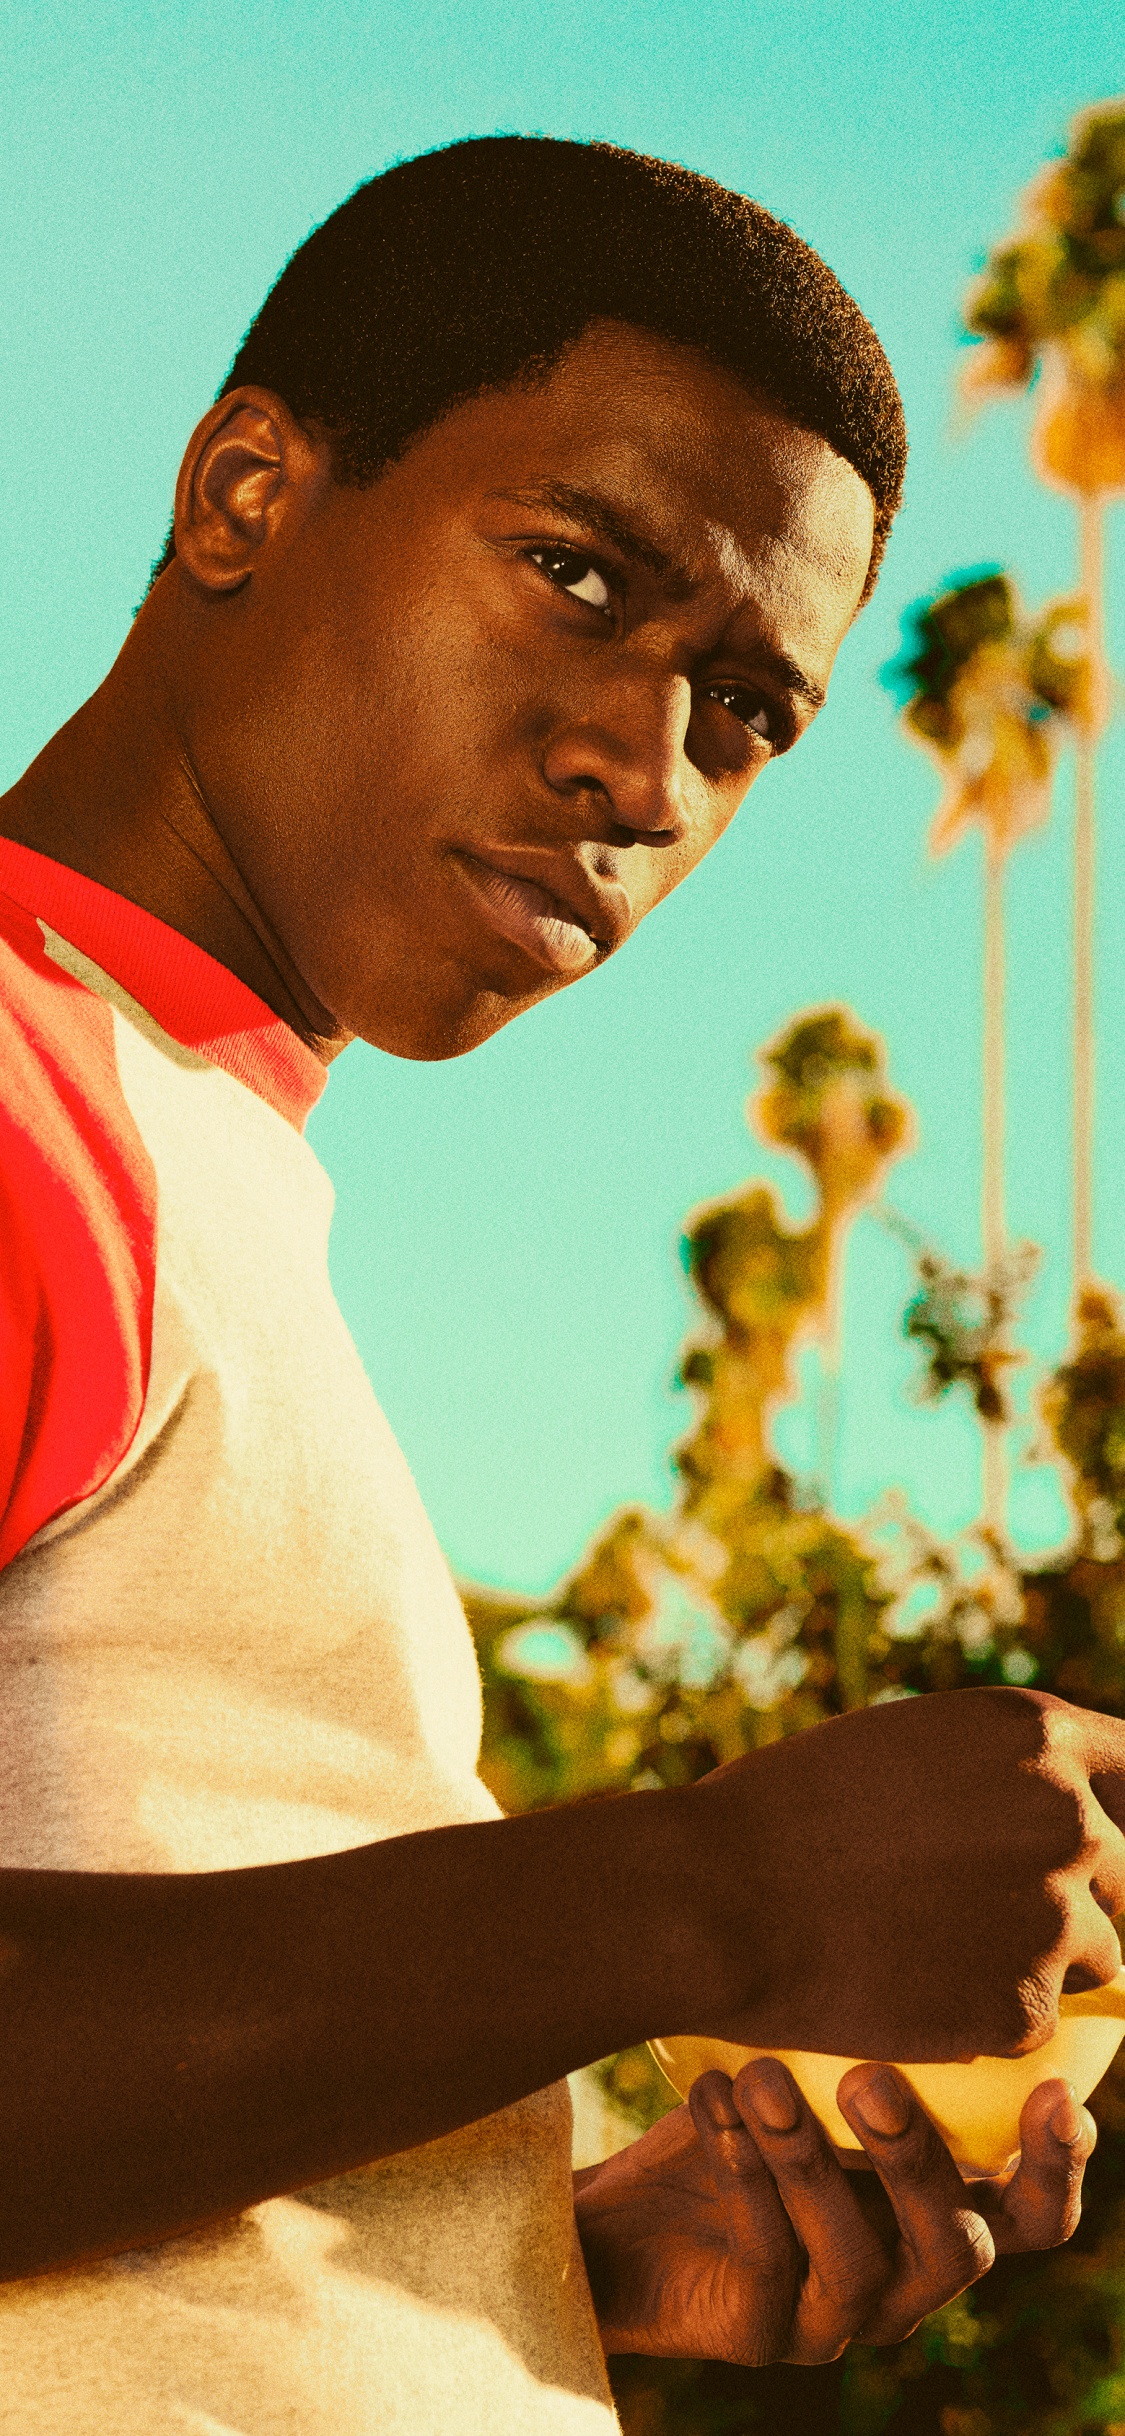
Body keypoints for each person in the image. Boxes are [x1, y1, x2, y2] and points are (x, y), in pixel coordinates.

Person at [0, 132, 1121, 2434]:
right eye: (578, 577)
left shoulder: (196, 1154)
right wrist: (701, 1893)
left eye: (745, 714)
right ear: (243, 493)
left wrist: (517, 2262)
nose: (642, 766)